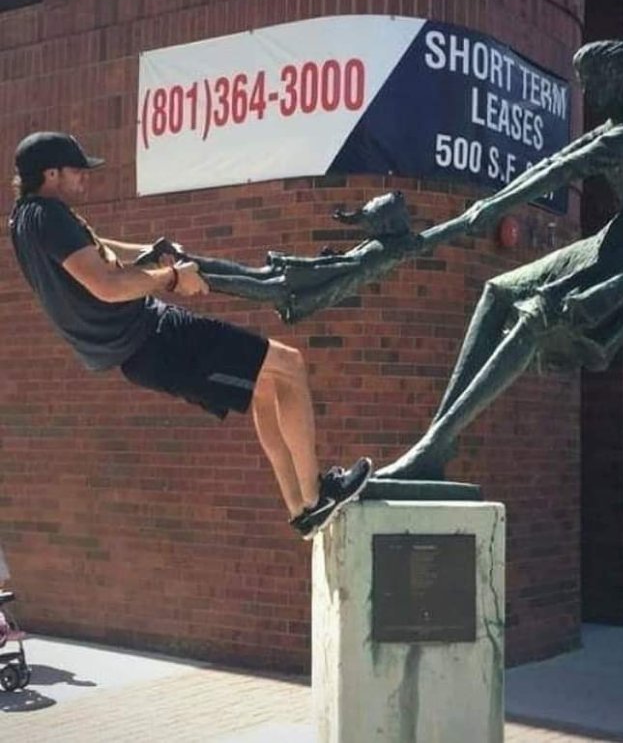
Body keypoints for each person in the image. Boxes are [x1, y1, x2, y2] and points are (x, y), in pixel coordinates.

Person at [8, 131, 372, 538]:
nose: (85, 180)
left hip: (146, 344)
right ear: (51, 173)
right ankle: (317, 495)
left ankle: (301, 507)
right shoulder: (49, 215)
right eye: (78, 172)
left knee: (266, 387)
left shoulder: (25, 220)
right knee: (288, 364)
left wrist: (147, 250)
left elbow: (95, 249)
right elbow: (107, 287)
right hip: (154, 338)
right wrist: (171, 277)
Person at [377, 38, 623, 479]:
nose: (587, 90)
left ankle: (433, 444)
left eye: (593, 80)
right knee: (498, 290)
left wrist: (497, 208)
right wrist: (488, 206)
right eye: (583, 82)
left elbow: (568, 170)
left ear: (619, 79)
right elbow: (553, 161)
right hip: (621, 228)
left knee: (539, 314)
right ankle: (437, 445)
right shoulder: (612, 124)